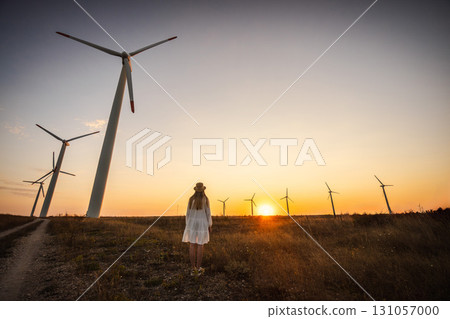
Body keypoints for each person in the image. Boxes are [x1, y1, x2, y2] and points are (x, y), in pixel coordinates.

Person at [182, 182, 213, 276]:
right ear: (203, 190)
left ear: (195, 190)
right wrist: (209, 225)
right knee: (200, 245)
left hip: (192, 223)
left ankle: (193, 268)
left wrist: (188, 225)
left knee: (192, 245)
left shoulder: (191, 199)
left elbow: (187, 213)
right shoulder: (205, 199)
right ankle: (198, 269)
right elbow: (208, 213)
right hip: (202, 223)